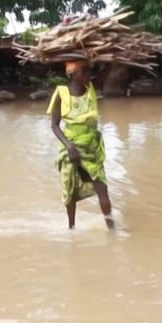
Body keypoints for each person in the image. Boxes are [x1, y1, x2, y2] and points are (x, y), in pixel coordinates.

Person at [47, 60, 115, 230]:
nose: (87, 75)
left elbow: (108, 68)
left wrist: (98, 57)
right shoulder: (61, 93)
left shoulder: (91, 88)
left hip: (91, 147)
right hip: (71, 148)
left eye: (88, 71)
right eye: (83, 71)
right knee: (70, 191)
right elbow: (54, 125)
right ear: (73, 74)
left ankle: (112, 228)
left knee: (102, 187)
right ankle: (72, 228)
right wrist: (69, 146)